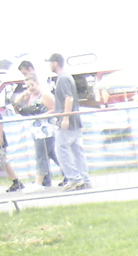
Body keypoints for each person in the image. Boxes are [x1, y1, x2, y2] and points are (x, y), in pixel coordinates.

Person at [10, 64, 59, 188]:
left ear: (37, 83)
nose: (30, 88)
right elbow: (16, 103)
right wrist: (24, 93)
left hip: (46, 130)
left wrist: (41, 116)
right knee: (51, 155)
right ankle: (56, 178)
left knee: (41, 156)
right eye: (28, 86)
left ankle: (39, 182)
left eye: (32, 85)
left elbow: (54, 109)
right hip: (37, 131)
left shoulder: (44, 95)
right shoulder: (31, 96)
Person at [48, 53, 90, 191]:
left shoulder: (63, 78)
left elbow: (69, 98)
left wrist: (65, 118)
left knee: (61, 150)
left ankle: (74, 178)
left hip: (68, 121)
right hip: (75, 121)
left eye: (50, 63)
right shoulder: (67, 77)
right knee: (77, 151)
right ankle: (84, 179)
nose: (49, 65)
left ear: (55, 63)